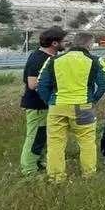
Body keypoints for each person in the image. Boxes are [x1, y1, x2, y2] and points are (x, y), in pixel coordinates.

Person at [35, 32, 105, 182]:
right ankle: (89, 175)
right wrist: (92, 99)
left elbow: (41, 84)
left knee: (55, 143)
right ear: (89, 45)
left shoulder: (53, 60)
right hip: (84, 105)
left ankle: (56, 177)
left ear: (74, 43)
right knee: (87, 141)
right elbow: (103, 83)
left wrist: (50, 101)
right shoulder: (95, 60)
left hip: (58, 105)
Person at [19, 26, 67, 176]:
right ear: (54, 43)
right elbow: (32, 84)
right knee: (35, 137)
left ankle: (38, 163)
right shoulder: (39, 59)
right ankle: (29, 169)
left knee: (42, 136)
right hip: (37, 105)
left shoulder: (46, 57)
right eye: (63, 41)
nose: (66, 43)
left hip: (44, 104)